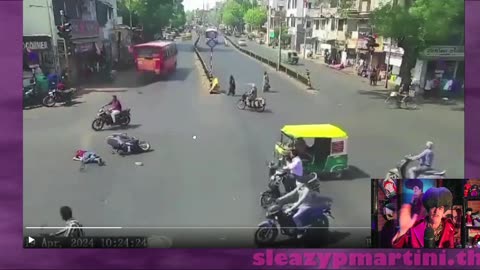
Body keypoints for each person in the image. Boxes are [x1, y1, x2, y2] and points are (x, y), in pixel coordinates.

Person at [278, 174, 324, 239]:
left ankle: (300, 231)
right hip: (301, 204)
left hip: (307, 205)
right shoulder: (300, 186)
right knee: (285, 207)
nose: (297, 182)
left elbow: (301, 201)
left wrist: (291, 208)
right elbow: (291, 193)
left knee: (295, 217)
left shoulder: (307, 190)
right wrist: (281, 199)